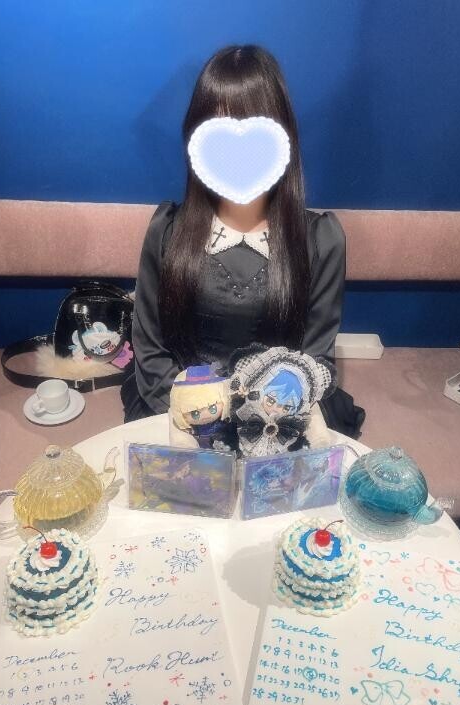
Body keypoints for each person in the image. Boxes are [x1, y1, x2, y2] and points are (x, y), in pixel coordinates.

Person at [121, 44, 365, 437]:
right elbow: (150, 350)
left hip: (277, 415)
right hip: (184, 408)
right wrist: (201, 418)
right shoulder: (166, 231)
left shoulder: (321, 240)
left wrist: (259, 420)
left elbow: (315, 356)